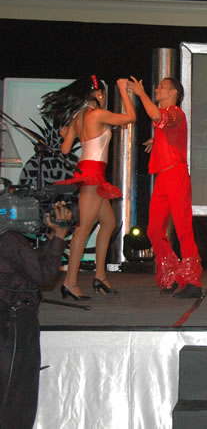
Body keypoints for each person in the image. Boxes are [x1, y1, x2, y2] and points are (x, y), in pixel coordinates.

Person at [40, 75, 137, 299]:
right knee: (83, 230)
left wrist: (66, 135)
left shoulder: (77, 117)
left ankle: (100, 276)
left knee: (109, 222)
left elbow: (65, 150)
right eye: (102, 92)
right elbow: (130, 117)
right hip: (92, 175)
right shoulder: (97, 114)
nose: (104, 95)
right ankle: (70, 282)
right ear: (97, 94)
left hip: (92, 174)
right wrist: (123, 90)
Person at [129, 77, 203, 299]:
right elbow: (162, 125)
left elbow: (156, 115)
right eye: (157, 86)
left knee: (183, 229)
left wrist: (141, 94)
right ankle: (170, 274)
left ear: (173, 92)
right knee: (153, 230)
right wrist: (157, 141)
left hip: (176, 175)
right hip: (163, 178)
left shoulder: (175, 112)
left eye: (161, 87)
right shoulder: (167, 119)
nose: (156, 89)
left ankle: (192, 281)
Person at [0, 202, 72, 428]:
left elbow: (29, 267)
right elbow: (45, 276)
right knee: (16, 401)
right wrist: (60, 236)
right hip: (14, 324)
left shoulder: (10, 241)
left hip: (11, 320)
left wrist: (53, 236)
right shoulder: (9, 239)